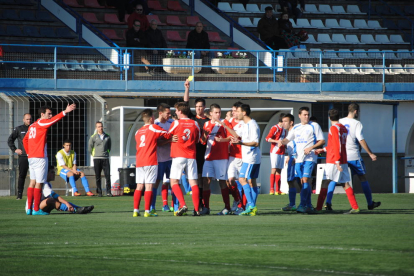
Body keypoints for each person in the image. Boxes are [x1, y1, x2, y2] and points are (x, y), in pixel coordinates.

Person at [23, 104, 76, 215]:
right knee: (39, 183)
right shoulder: (42, 123)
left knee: (32, 182)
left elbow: (25, 140)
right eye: (49, 113)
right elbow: (53, 120)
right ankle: (36, 210)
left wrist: (29, 153)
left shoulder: (32, 125)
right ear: (42, 114)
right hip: (40, 157)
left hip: (31, 158)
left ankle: (29, 209)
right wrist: (65, 111)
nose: (50, 116)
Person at [279, 106, 325, 214]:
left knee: (305, 180)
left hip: (310, 157)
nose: (307, 116)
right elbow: (288, 139)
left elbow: (322, 141)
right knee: (302, 182)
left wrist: (311, 148)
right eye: (304, 114)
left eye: (308, 114)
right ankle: (308, 205)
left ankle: (301, 205)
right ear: (299, 116)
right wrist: (281, 142)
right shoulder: (296, 127)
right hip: (298, 159)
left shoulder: (314, 126)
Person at [315, 109, 360, 214]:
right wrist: (324, 149)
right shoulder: (343, 128)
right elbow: (334, 144)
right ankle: (355, 207)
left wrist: (337, 161)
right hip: (343, 159)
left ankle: (318, 208)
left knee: (325, 182)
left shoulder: (333, 128)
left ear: (329, 118)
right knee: (345, 184)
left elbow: (337, 145)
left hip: (334, 160)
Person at [339, 103, 381, 210]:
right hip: (354, 156)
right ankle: (370, 203)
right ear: (356, 111)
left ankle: (328, 203)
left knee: (339, 181)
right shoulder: (357, 123)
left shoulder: (340, 121)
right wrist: (370, 153)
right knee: (362, 178)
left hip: (342, 156)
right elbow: (361, 139)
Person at [221, 104, 261, 216]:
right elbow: (237, 135)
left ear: (244, 112)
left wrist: (240, 143)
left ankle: (251, 205)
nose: (236, 113)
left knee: (242, 179)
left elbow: (256, 142)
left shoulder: (252, 125)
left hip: (251, 157)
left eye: (238, 111)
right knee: (251, 181)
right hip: (250, 157)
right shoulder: (244, 124)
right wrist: (225, 126)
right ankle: (251, 206)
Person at [133, 109, 172, 218]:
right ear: (151, 118)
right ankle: (147, 211)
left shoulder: (138, 131)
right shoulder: (153, 127)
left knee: (139, 186)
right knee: (149, 186)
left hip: (139, 161)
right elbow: (167, 134)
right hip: (150, 160)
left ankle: (136, 210)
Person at [168, 102, 202, 216]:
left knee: (174, 181)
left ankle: (183, 204)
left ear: (180, 111)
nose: (175, 112)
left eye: (176, 110)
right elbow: (198, 140)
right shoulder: (195, 123)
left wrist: (171, 138)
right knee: (193, 182)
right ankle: (197, 210)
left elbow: (168, 136)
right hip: (191, 156)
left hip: (178, 155)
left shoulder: (176, 123)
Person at [200, 103, 232, 215]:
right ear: (211, 113)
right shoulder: (207, 124)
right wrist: (204, 136)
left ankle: (227, 207)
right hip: (208, 157)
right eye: (216, 112)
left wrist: (222, 140)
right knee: (205, 181)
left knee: (222, 181)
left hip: (221, 157)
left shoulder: (224, 123)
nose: (218, 114)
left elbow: (231, 137)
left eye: (219, 112)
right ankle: (206, 208)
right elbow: (203, 141)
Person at [25, 165, 94, 215]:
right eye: (52, 172)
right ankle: (75, 210)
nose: (54, 174)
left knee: (56, 201)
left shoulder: (48, 183)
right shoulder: (44, 183)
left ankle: (80, 208)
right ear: (46, 173)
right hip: (34, 207)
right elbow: (54, 195)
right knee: (52, 200)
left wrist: (65, 202)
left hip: (41, 205)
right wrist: (66, 203)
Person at [183, 80, 209, 210]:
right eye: (197, 106)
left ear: (204, 107)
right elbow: (185, 104)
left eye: (201, 106)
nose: (199, 108)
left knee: (206, 180)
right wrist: (187, 89)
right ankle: (198, 204)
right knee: (197, 178)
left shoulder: (209, 121)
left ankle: (205, 205)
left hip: (207, 152)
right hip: (194, 152)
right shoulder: (192, 118)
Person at [151, 103, 174, 212]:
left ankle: (175, 206)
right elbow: (157, 142)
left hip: (171, 158)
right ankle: (152, 207)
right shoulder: (154, 124)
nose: (169, 115)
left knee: (173, 182)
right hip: (159, 159)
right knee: (157, 182)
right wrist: (169, 140)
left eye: (170, 113)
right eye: (167, 113)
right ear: (160, 113)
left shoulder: (171, 123)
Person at [225, 101, 244, 214]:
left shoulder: (245, 123)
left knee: (242, 182)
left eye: (235, 111)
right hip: (231, 156)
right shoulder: (229, 122)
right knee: (230, 180)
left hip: (242, 156)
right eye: (232, 110)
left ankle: (243, 205)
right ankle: (237, 200)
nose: (233, 113)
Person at [8, 113, 31, 200]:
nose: (29, 121)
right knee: (22, 175)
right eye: (27, 119)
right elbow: (10, 140)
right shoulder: (19, 129)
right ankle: (19, 194)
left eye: (30, 119)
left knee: (35, 176)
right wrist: (15, 150)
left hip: (33, 156)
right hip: (23, 156)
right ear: (23, 119)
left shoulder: (34, 128)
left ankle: (36, 194)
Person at [280, 114, 300, 211]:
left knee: (297, 181)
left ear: (291, 122)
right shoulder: (289, 132)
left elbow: (298, 144)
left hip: (296, 158)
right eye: (282, 121)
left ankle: (300, 204)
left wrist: (295, 156)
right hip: (292, 157)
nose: (283, 123)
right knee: (291, 180)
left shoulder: (295, 131)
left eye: (285, 121)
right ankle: (293, 204)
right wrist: (289, 155)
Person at [88, 121, 112, 197]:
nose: (100, 128)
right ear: (96, 128)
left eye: (101, 126)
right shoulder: (93, 137)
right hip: (97, 159)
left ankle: (108, 192)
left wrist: (106, 153)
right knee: (98, 176)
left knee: (107, 175)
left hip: (105, 158)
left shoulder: (107, 136)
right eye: (98, 126)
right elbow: (90, 147)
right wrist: (94, 155)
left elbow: (109, 147)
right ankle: (99, 192)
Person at [265, 113, 287, 195]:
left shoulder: (284, 130)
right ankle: (271, 189)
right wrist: (276, 141)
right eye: (285, 120)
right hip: (274, 151)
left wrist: (284, 143)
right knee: (274, 169)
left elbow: (284, 140)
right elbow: (267, 138)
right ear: (282, 120)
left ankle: (278, 190)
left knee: (279, 170)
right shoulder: (275, 128)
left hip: (282, 151)